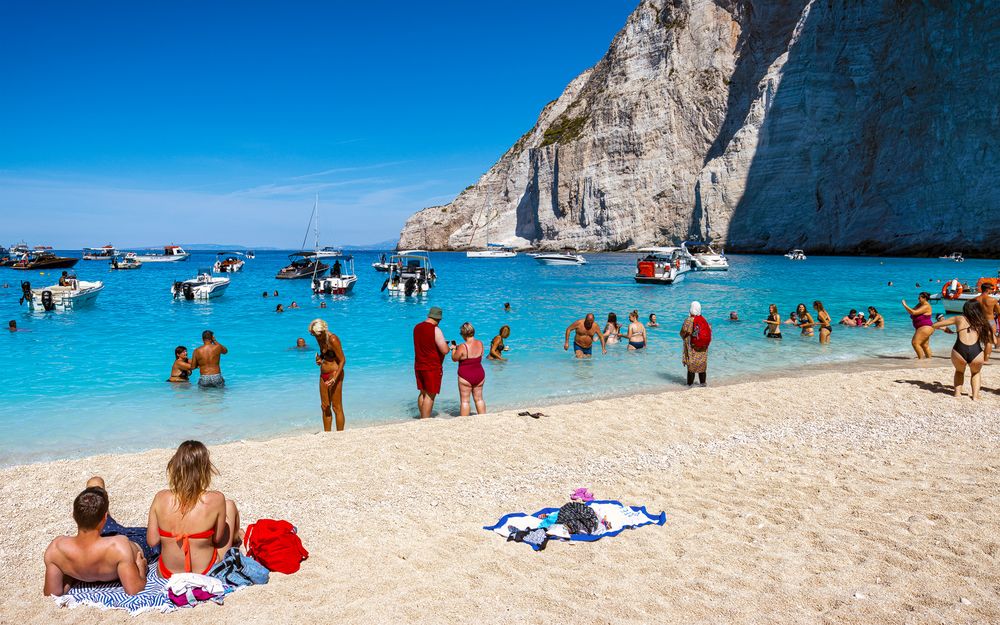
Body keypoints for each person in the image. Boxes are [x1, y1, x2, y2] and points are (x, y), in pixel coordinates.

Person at [147, 441, 241, 579]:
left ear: (175, 466)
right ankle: (237, 539)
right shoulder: (216, 499)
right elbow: (217, 539)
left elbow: (152, 541)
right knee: (230, 506)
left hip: (167, 574)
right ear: (205, 469)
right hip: (205, 572)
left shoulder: (160, 497)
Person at [43, 483, 148, 596]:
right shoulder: (119, 546)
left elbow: (52, 593)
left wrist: (71, 576)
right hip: (137, 541)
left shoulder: (56, 548)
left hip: (103, 536)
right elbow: (134, 590)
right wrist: (142, 569)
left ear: (73, 515)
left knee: (95, 481)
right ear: (105, 518)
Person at [932, 300, 994, 400]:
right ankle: (975, 396)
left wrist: (945, 329)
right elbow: (992, 340)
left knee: (959, 371)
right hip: (976, 351)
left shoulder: (958, 318)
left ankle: (957, 394)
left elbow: (935, 325)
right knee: (976, 373)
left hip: (959, 350)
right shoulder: (982, 321)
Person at [309, 319, 346, 432]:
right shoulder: (320, 338)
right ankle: (327, 435)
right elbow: (327, 355)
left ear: (324, 331)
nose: (316, 338)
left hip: (334, 374)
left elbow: (342, 360)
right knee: (325, 406)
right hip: (323, 374)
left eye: (317, 335)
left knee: (336, 407)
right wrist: (320, 359)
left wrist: (335, 378)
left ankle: (340, 435)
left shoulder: (333, 339)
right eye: (314, 335)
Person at [413, 307, 450, 419]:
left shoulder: (417, 327)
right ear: (439, 319)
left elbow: (424, 344)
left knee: (422, 393)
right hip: (432, 366)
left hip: (419, 364)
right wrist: (450, 347)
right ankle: (425, 421)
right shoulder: (435, 329)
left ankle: (422, 417)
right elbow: (444, 350)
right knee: (430, 395)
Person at [451, 322, 486, 416]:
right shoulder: (480, 343)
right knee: (479, 399)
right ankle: (484, 418)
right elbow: (480, 354)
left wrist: (454, 349)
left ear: (463, 334)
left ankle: (464, 422)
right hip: (479, 373)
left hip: (465, 375)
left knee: (465, 401)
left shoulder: (463, 346)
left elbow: (454, 359)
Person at [679, 301, 710, 386]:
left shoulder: (689, 320)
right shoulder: (703, 320)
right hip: (703, 347)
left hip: (692, 346)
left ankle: (690, 385)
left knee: (691, 366)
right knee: (702, 365)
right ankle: (703, 383)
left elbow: (683, 332)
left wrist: (685, 337)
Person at [902, 292, 934, 359]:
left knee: (915, 343)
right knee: (925, 345)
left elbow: (914, 312)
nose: (918, 299)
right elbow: (912, 311)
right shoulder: (920, 304)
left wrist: (905, 305)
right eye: (918, 297)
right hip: (923, 327)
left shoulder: (926, 306)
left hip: (925, 327)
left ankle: (920, 360)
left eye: (919, 298)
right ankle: (929, 360)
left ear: (924, 298)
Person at [975, 283, 1000, 361]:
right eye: (992, 289)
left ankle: (976, 358)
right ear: (987, 289)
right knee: (989, 341)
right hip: (991, 322)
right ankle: (986, 360)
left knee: (976, 341)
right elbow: (999, 312)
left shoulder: (975, 300)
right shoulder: (993, 300)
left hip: (979, 321)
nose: (993, 290)